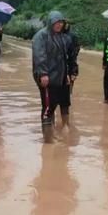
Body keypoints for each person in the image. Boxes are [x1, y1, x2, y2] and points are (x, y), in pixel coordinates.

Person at [32, 11, 77, 143]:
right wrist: (43, 74)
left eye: (61, 22)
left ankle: (62, 129)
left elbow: (68, 57)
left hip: (61, 77)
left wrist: (70, 73)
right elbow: (39, 56)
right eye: (56, 22)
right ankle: (48, 139)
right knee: (48, 107)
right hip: (48, 78)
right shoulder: (41, 36)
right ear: (50, 22)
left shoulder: (63, 37)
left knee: (64, 103)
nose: (59, 25)